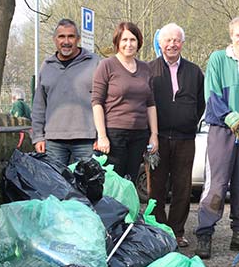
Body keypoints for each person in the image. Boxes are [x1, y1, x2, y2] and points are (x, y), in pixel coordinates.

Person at [194, 16, 239, 259]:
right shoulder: (217, 59)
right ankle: (205, 233)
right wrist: (229, 117)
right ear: (231, 36)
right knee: (216, 183)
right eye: (238, 35)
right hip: (221, 129)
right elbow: (212, 93)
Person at [148, 23, 205, 248]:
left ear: (182, 43)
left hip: (185, 138)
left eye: (176, 40)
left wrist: (189, 120)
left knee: (183, 187)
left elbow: (201, 103)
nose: (172, 44)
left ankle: (177, 231)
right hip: (157, 137)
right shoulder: (149, 69)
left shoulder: (194, 71)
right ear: (160, 43)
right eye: (167, 40)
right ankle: (158, 229)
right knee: (156, 187)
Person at [91, 22, 158, 184]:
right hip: (114, 136)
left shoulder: (145, 68)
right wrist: (102, 136)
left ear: (138, 42)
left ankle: (129, 210)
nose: (129, 44)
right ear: (117, 42)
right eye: (124, 40)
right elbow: (97, 102)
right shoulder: (106, 66)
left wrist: (154, 135)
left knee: (130, 182)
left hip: (139, 135)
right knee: (114, 183)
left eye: (133, 40)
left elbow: (150, 103)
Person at [32, 18, 99, 165]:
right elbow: (39, 105)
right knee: (55, 185)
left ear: (78, 39)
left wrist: (102, 135)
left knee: (88, 186)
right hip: (53, 141)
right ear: (55, 39)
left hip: (87, 140)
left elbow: (104, 101)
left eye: (71, 36)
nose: (66, 41)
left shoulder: (95, 62)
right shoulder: (47, 66)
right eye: (62, 36)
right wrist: (38, 137)